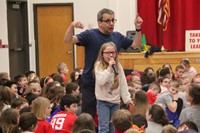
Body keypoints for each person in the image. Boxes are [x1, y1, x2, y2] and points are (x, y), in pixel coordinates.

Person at [64, 8, 143, 118]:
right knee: (89, 116)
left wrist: (138, 29)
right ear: (99, 22)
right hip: (91, 82)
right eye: (107, 21)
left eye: (113, 20)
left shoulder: (117, 36)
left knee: (109, 119)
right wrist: (72, 25)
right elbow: (68, 40)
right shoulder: (90, 34)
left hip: (110, 85)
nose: (111, 24)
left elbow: (136, 45)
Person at [94, 42, 132, 133]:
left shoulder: (118, 66)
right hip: (103, 101)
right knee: (104, 127)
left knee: (113, 127)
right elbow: (101, 81)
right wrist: (110, 68)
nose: (111, 55)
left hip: (115, 101)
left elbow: (123, 84)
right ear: (102, 54)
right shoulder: (98, 65)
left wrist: (127, 99)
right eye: (107, 53)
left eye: (113, 52)